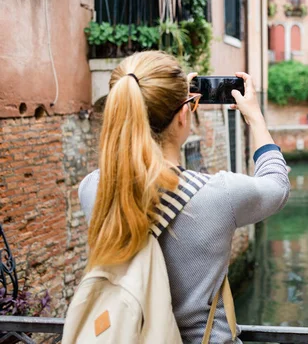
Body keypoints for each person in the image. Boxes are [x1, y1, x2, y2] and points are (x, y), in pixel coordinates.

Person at [78, 51, 290, 343]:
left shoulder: (92, 189)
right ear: (183, 115)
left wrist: (174, 97)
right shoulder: (218, 195)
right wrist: (254, 116)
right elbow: (277, 185)